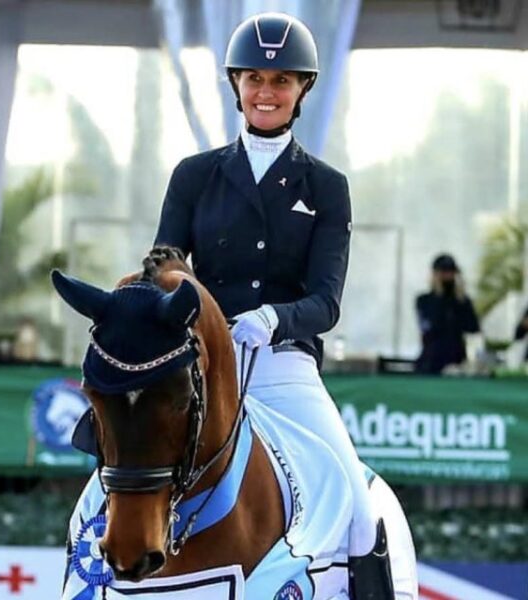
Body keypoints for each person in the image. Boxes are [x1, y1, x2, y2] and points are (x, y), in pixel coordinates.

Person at [155, 12, 383, 565]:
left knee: (358, 509)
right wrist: (185, 303)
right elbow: (164, 263)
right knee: (118, 475)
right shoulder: (195, 175)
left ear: (302, 89)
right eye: (254, 78)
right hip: (203, 367)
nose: (266, 91)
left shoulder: (326, 187)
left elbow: (326, 301)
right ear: (235, 83)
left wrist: (274, 318)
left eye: (281, 80)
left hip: (284, 368)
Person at [415, 253, 480, 374]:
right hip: (430, 361)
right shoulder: (424, 300)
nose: (448, 276)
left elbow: (473, 327)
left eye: (451, 272)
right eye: (444, 272)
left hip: (456, 361)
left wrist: (460, 301)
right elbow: (429, 327)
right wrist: (439, 296)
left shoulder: (462, 301)